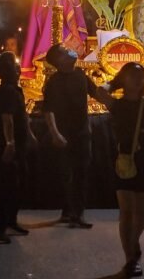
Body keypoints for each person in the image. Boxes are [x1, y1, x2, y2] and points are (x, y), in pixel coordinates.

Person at [90, 62, 144, 278]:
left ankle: (133, 242)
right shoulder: (118, 105)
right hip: (123, 158)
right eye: (132, 75)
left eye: (140, 76)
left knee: (142, 212)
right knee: (127, 211)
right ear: (124, 79)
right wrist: (113, 82)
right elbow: (99, 91)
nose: (138, 79)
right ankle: (131, 259)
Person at [43, 45, 96, 229]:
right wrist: (55, 133)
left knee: (81, 173)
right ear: (59, 61)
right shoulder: (54, 82)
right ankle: (70, 212)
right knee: (68, 174)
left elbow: (96, 92)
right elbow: (48, 110)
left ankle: (76, 212)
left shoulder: (80, 74)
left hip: (82, 132)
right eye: (65, 52)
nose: (70, 52)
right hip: (64, 134)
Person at [0, 51, 36, 245]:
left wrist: (30, 135)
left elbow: (22, 116)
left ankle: (11, 220)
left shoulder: (16, 90)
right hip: (10, 145)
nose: (18, 68)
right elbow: (7, 118)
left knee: (18, 183)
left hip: (20, 143)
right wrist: (10, 142)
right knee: (6, 186)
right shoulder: (6, 91)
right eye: (14, 65)